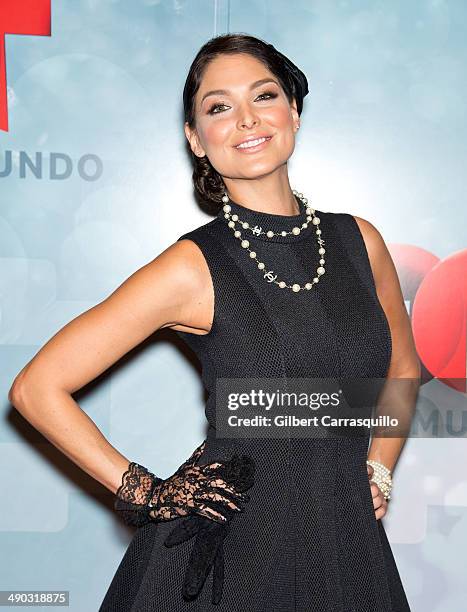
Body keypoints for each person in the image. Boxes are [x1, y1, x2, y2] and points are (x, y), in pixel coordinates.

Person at [8, 33, 420, 611]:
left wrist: (379, 465)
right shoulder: (192, 265)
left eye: (265, 95)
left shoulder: (360, 242)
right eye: (219, 107)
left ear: (293, 113)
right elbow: (35, 388)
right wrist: (147, 492)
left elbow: (403, 365)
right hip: (237, 553)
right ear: (196, 140)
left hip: (347, 542)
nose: (247, 119)